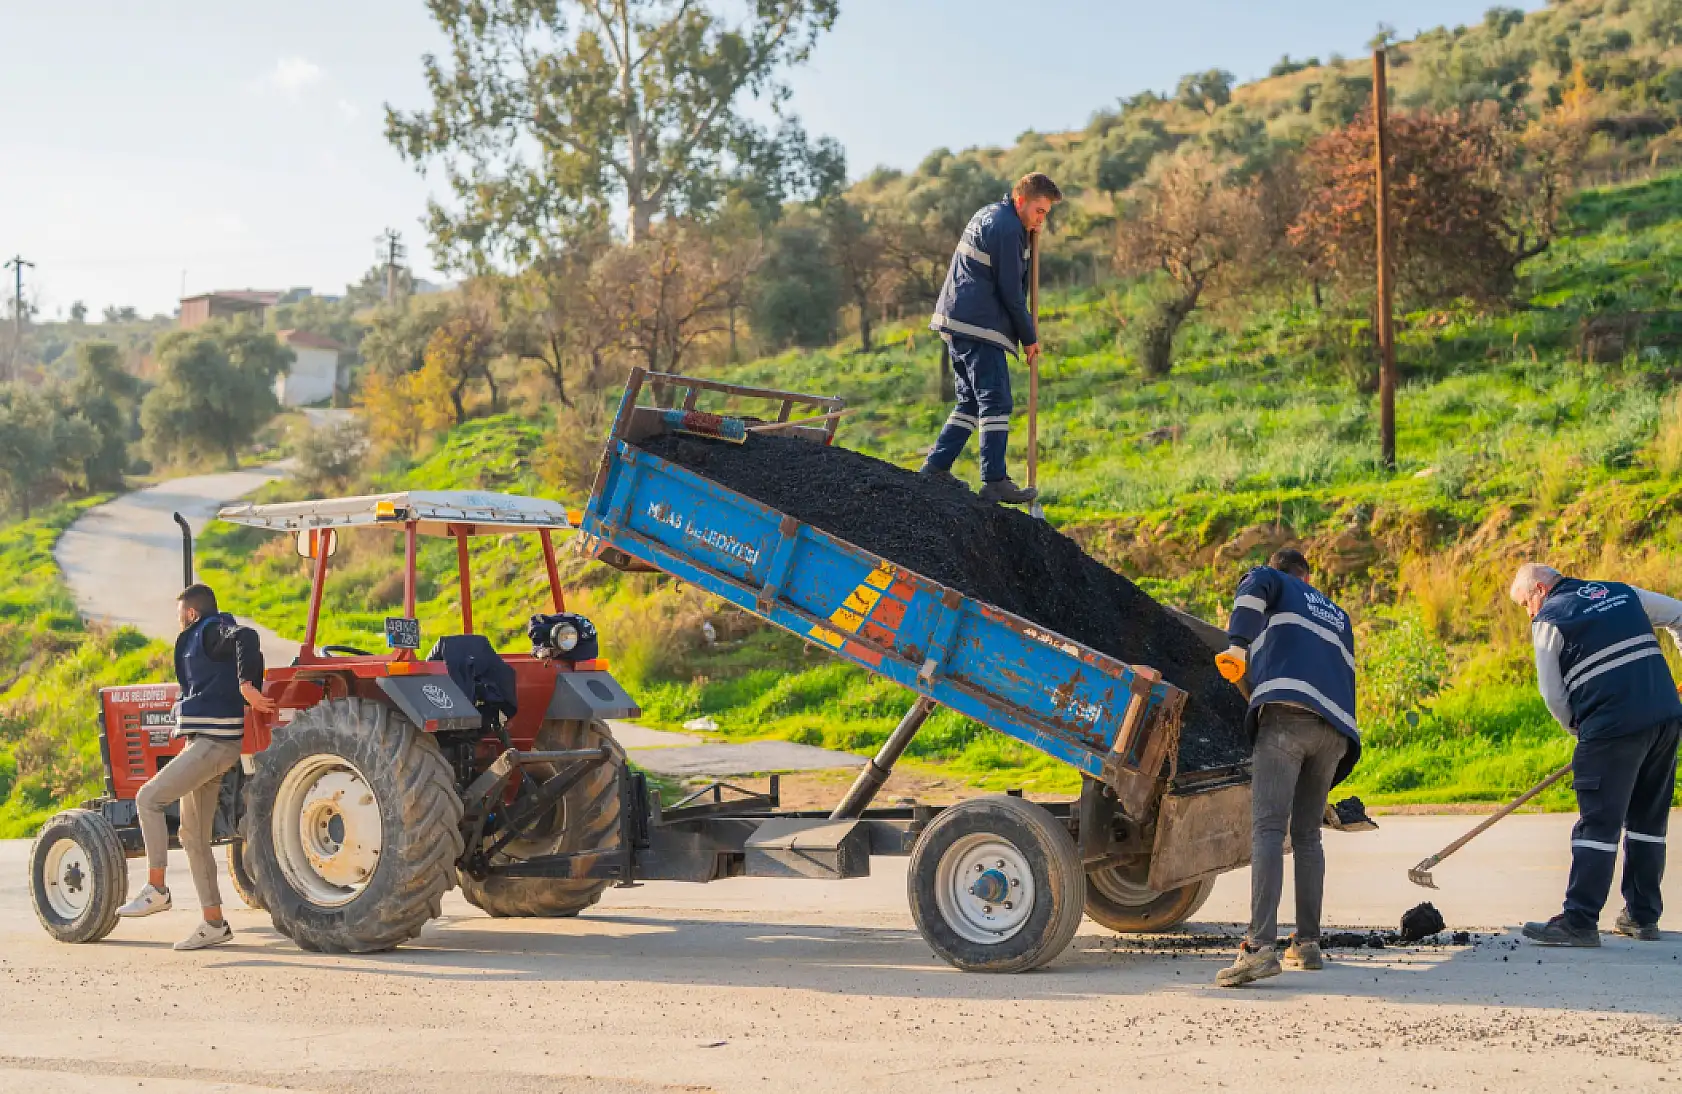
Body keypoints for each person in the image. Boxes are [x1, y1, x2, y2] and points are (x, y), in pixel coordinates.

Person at [1509, 563, 1680, 947]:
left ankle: (1580, 921)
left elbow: (1552, 694)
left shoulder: (1550, 619)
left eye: (1525, 604)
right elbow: (1680, 614)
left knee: (1598, 825)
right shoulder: (1623, 592)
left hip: (1610, 726)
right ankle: (1641, 916)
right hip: (1665, 718)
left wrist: (1581, 731)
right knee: (1647, 822)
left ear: (1539, 589)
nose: (1528, 613)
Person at [1213, 549, 1360, 987]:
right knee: (1308, 835)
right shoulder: (1336, 614)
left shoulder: (1271, 581)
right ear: (1308, 575)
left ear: (1281, 572)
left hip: (1287, 722)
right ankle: (1309, 943)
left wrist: (1238, 645)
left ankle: (1259, 949)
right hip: (1335, 731)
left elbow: (1253, 587)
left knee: (1268, 832)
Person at [117, 584, 274, 950]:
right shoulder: (208, 637)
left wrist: (247, 685)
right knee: (192, 836)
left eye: (179, 615)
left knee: (148, 798)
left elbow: (247, 636)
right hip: (207, 744)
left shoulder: (210, 631)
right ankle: (214, 922)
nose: (178, 622)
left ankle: (156, 887)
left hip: (212, 744)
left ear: (191, 613)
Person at [920, 172, 1062, 506]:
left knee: (970, 401)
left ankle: (936, 466)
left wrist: (1029, 237)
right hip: (978, 324)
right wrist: (1029, 338)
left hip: (957, 319)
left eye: (1046, 214)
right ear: (1021, 201)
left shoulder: (993, 216)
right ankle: (995, 480)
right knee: (996, 400)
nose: (1042, 220)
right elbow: (1012, 293)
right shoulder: (1008, 228)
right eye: (1039, 211)